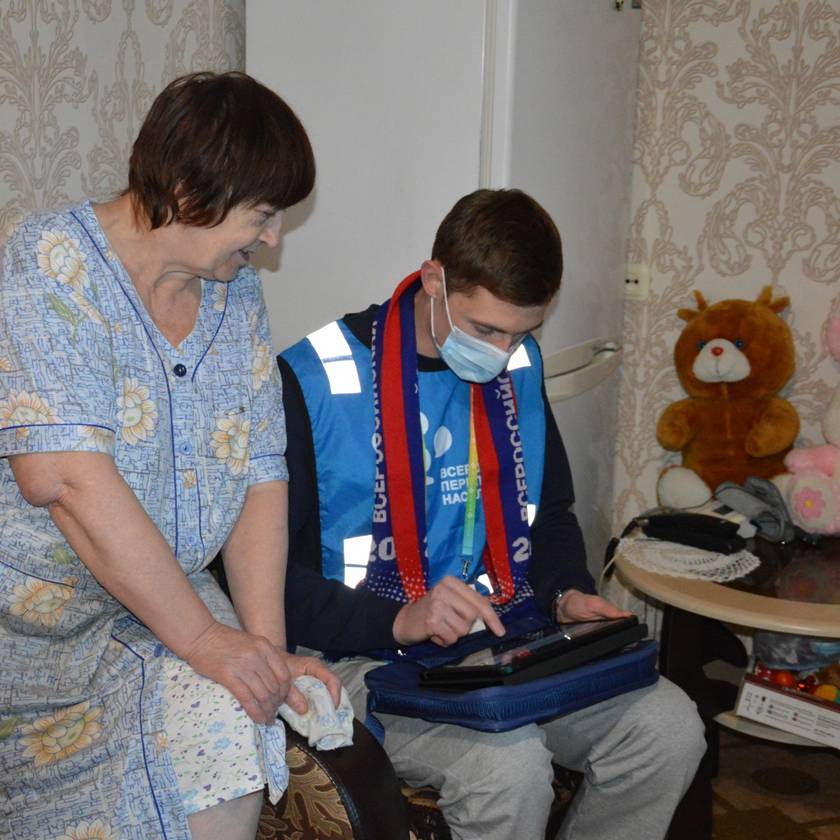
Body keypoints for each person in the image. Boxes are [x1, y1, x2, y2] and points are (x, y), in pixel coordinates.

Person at [280, 188, 706, 840]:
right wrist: (400, 618)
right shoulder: (310, 382)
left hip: (502, 637)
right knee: (509, 770)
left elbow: (549, 512)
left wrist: (566, 594)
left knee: (668, 730)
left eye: (522, 333)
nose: (504, 353)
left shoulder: (518, 364)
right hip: (360, 654)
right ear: (434, 280)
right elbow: (271, 584)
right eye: (485, 330)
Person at [0, 72, 339, 840]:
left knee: (232, 729)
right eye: (262, 215)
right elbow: (65, 478)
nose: (272, 240)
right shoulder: (51, 263)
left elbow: (261, 471)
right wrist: (208, 641)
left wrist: (263, 652)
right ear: (189, 192)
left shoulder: (233, 293)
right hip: (34, 650)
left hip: (163, 617)